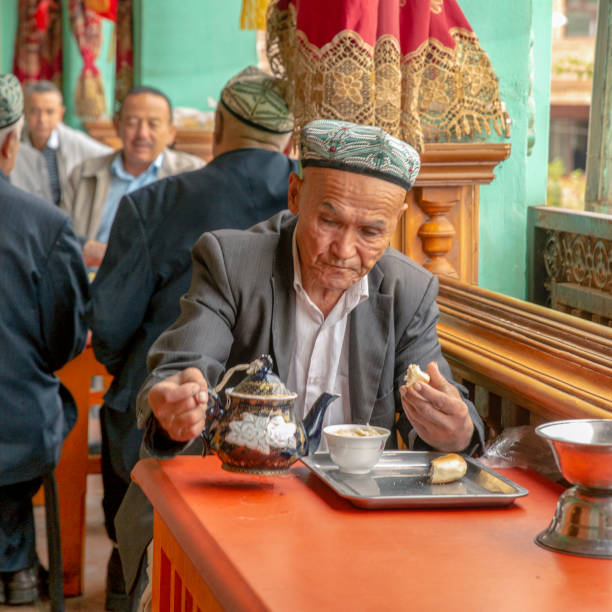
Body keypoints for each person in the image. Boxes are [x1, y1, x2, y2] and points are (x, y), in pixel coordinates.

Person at [115, 118, 486, 608]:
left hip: (348, 522)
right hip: (227, 509)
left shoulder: (407, 291)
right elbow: (185, 363)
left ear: (393, 225)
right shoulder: (232, 260)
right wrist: (175, 404)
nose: (344, 251)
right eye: (329, 221)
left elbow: (442, 412)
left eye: (371, 231)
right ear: (295, 196)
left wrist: (453, 428)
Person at [89, 66, 295, 611]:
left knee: (136, 553)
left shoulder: (153, 203)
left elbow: (107, 331)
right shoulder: (313, 203)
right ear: (291, 142)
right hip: (290, 439)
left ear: (218, 126)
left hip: (157, 436)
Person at [0, 74, 89, 605]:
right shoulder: (46, 223)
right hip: (14, 432)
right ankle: (15, 563)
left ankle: (15, 561)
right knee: (42, 407)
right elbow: (65, 343)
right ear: (11, 145)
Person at [62, 86, 205, 267]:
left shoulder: (194, 175)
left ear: (171, 133)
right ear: (117, 126)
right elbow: (61, 239)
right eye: (132, 122)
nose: (142, 134)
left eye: (153, 124)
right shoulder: (84, 174)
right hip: (91, 284)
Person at [10, 79, 112, 205]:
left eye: (49, 112)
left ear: (61, 114)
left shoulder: (74, 142)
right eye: (34, 111)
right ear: (24, 112)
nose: (42, 119)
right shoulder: (12, 142)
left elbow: (110, 157)